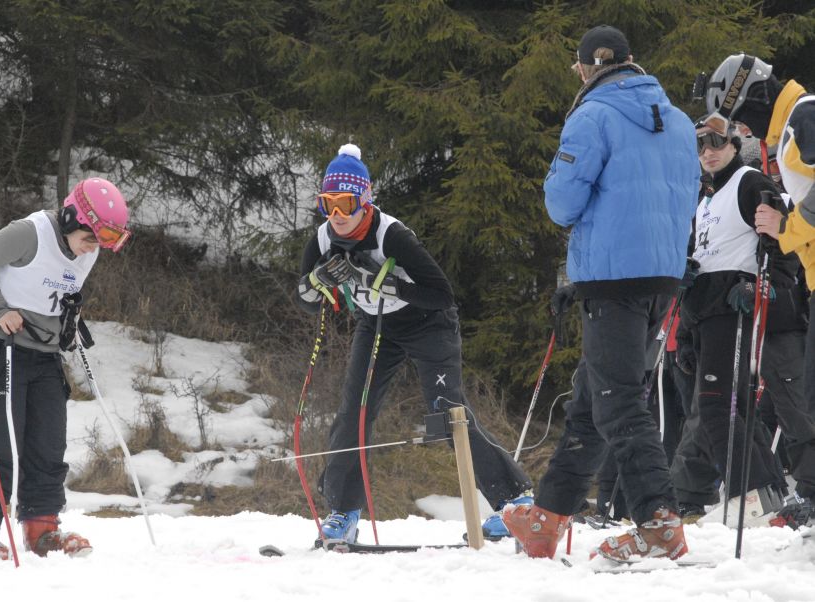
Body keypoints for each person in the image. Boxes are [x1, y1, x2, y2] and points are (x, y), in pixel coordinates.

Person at [500, 25, 699, 560]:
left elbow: (561, 205)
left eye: (579, 67)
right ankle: (547, 517)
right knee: (593, 398)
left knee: (617, 402)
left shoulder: (590, 116)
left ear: (590, 66)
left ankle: (658, 519)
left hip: (611, 278)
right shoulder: (679, 121)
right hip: (663, 277)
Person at [296, 144, 533, 543]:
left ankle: (516, 502)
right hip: (376, 327)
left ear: (365, 200)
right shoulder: (322, 239)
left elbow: (442, 294)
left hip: (428, 324)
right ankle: (343, 513)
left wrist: (385, 282)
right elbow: (304, 300)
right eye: (327, 204)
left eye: (345, 203)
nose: (337, 215)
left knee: (448, 413)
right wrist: (320, 279)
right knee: (353, 411)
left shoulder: (392, 234)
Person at [0, 177, 131, 562]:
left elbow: (59, 293)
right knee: (3, 446)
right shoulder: (29, 233)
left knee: (48, 444)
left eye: (99, 243)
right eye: (89, 239)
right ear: (71, 219)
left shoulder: (87, 248)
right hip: (1, 347)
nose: (93, 250)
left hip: (45, 354)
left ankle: (42, 528)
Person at [670, 121, 815, 527]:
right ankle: (763, 494)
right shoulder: (705, 198)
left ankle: (755, 494)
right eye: (700, 146)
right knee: (725, 411)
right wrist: (684, 324)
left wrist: (762, 288)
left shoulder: (749, 182)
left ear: (735, 143)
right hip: (708, 312)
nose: (708, 151)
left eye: (717, 142)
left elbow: (785, 247)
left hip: (747, 311)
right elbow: (703, 261)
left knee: (737, 409)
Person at [701, 53, 815, 526]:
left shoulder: (804, 116)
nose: (744, 130)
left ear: (758, 96)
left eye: (743, 118)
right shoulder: (790, 126)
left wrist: (787, 225)